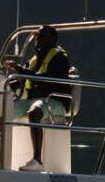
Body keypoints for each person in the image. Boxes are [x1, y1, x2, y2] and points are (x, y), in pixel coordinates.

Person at [8, 25, 72, 171]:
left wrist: (20, 70)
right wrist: (11, 81)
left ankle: (37, 161)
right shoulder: (34, 59)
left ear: (53, 38)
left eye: (42, 36)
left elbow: (48, 79)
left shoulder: (59, 57)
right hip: (33, 100)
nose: (38, 38)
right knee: (2, 111)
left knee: (34, 112)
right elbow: (23, 79)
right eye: (37, 36)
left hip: (54, 100)